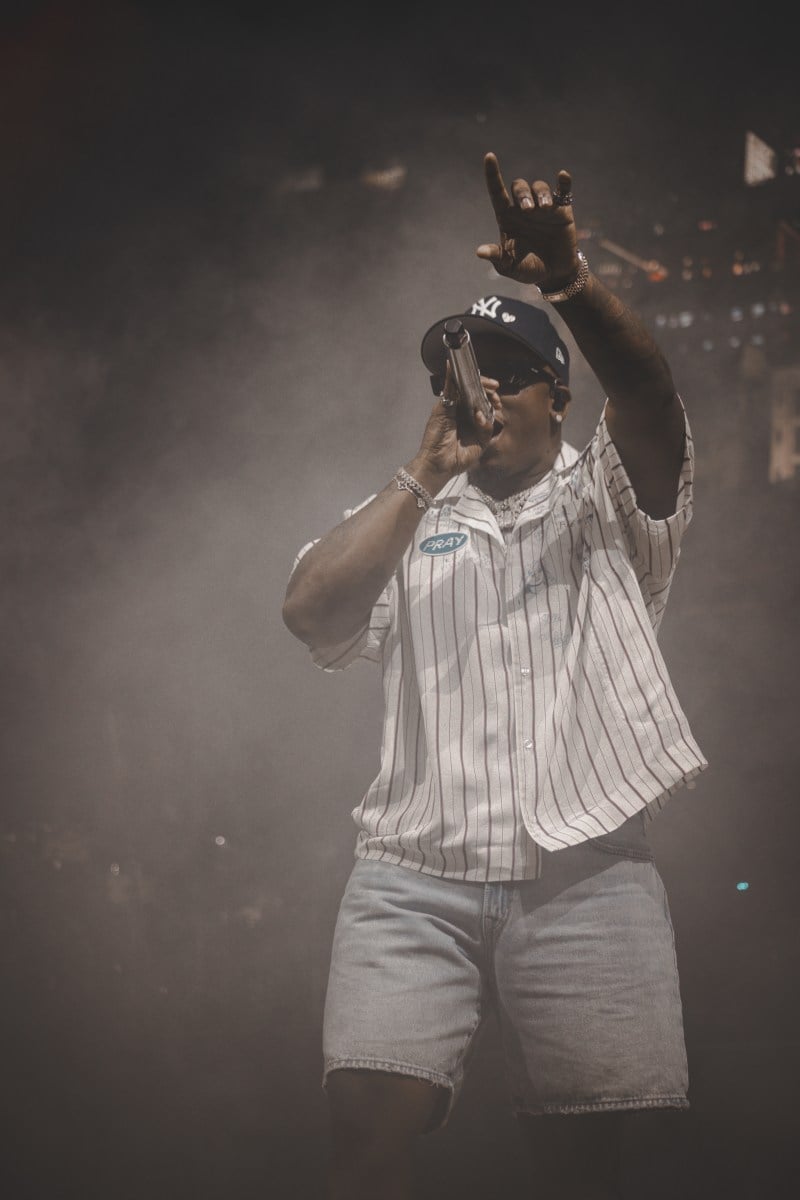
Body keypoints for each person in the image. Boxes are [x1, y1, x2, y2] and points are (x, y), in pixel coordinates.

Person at [282, 152, 707, 1200]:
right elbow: (309, 612)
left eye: (497, 372)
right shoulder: (412, 510)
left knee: (587, 1168)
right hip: (412, 877)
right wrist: (422, 474)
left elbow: (648, 393)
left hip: (585, 873)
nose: (468, 391)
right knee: (360, 1143)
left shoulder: (607, 500)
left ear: (556, 395)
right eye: (448, 376)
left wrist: (566, 283)